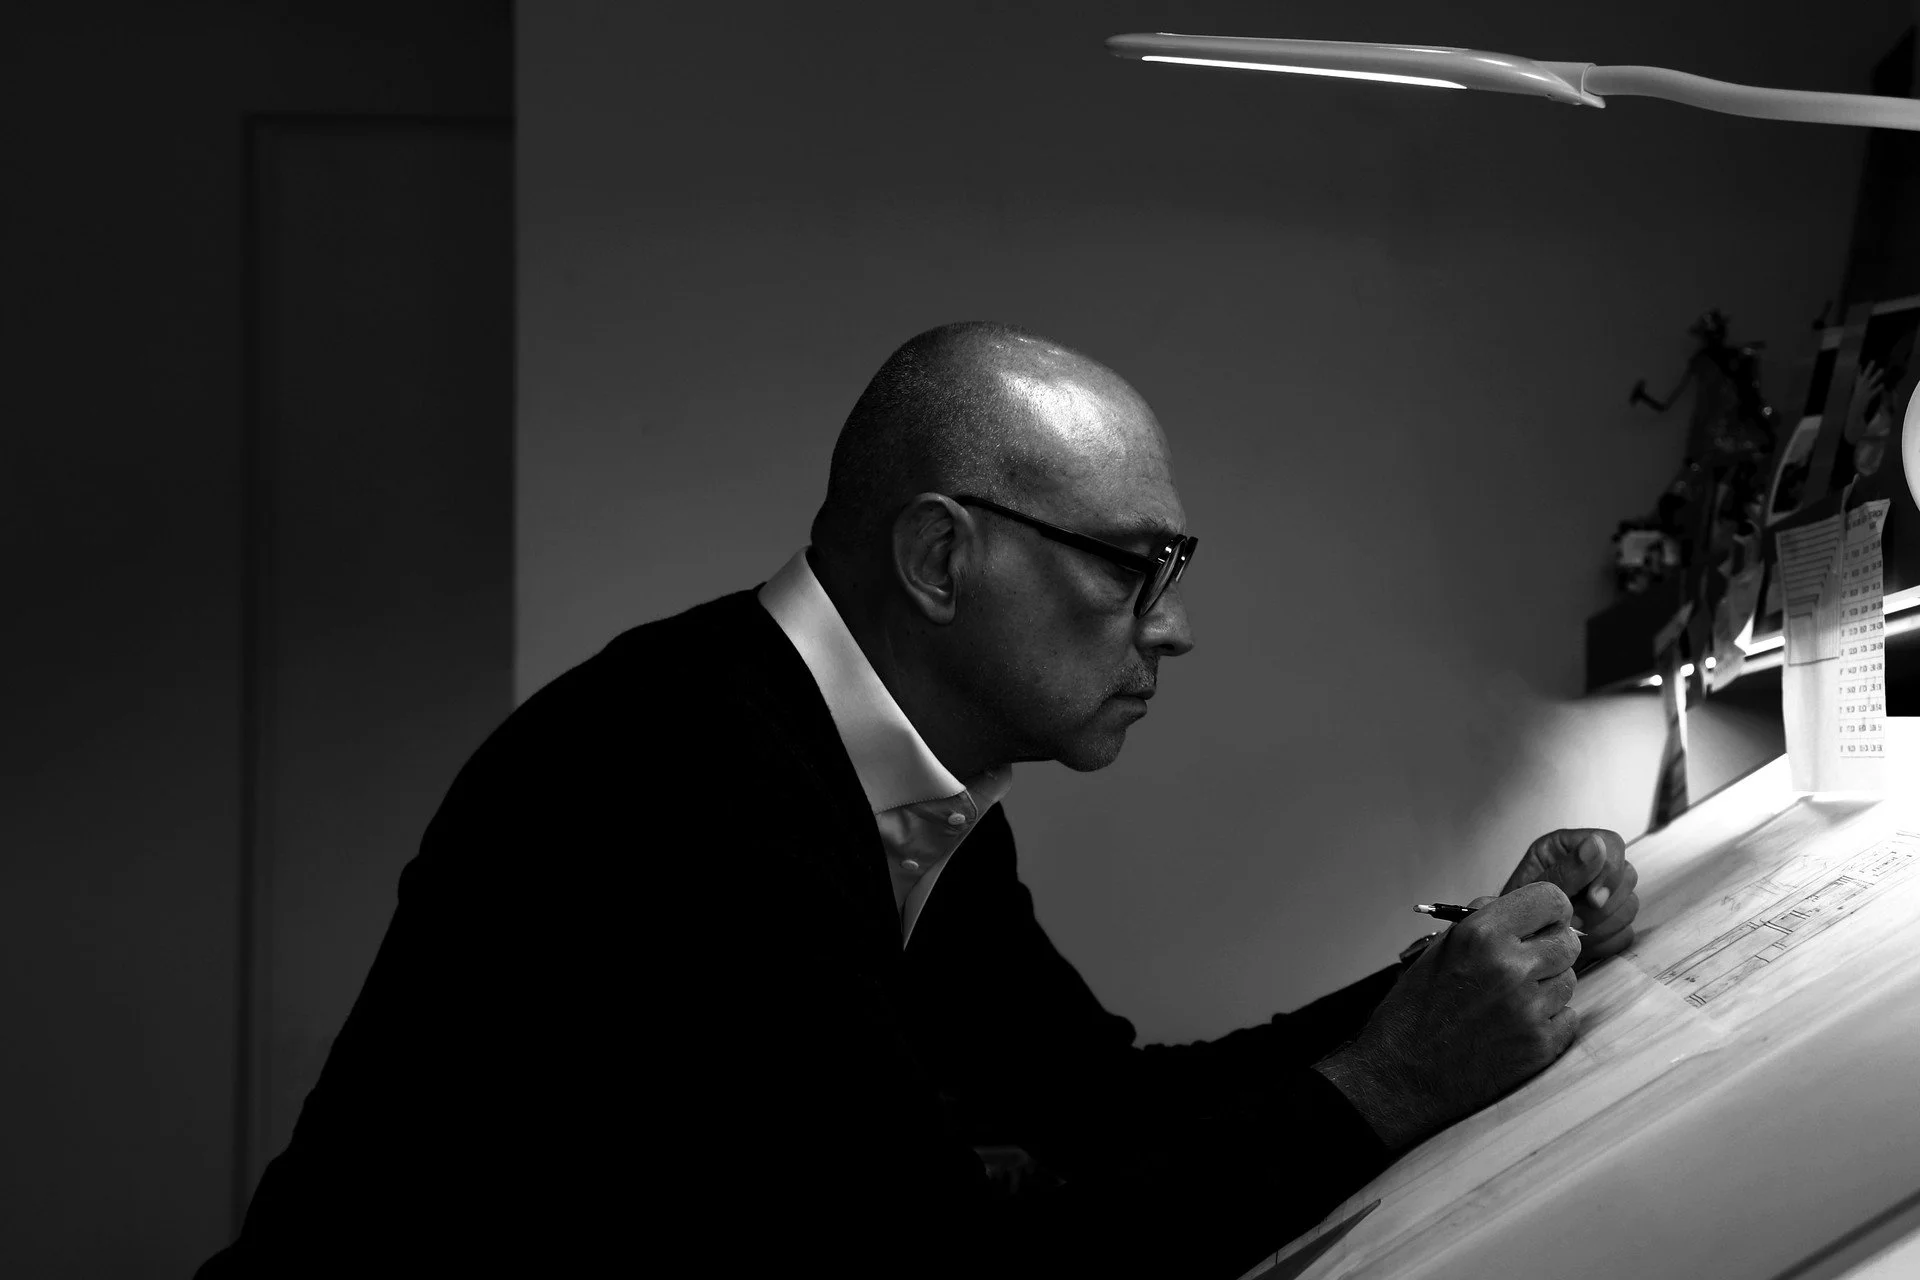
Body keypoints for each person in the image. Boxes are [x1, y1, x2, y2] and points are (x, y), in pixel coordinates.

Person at [196, 321, 1640, 1278]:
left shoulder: (872, 769)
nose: (1174, 628)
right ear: (943, 559)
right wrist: (1392, 1084)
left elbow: (1095, 1109)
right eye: (1132, 568)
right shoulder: (689, 786)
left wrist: (1465, 973)